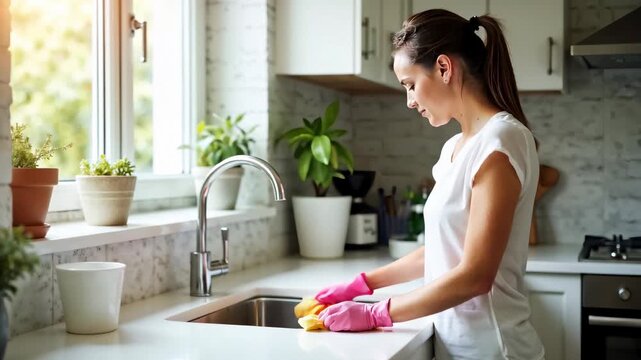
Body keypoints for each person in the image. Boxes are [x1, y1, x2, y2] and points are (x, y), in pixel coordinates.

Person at [314, 9, 545, 360]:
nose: (409, 100)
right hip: (456, 346)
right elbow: (441, 250)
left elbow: (475, 276)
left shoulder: (501, 140)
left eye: (410, 84)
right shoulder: (455, 147)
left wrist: (378, 313)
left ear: (443, 68)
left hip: (494, 350)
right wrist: (363, 284)